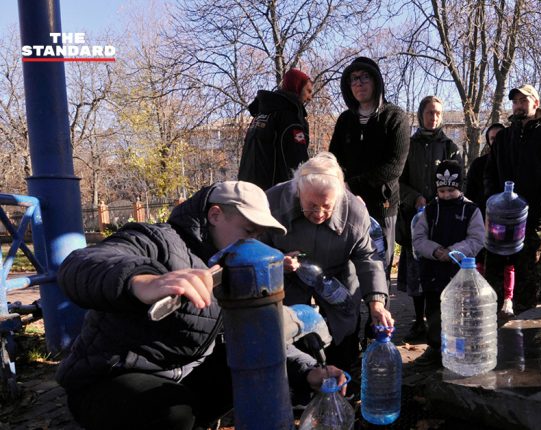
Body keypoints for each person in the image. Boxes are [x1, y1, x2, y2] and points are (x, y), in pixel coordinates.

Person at [56, 181, 344, 430]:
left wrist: (307, 370)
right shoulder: (160, 240)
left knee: (252, 375)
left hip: (182, 374)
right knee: (173, 414)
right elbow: (81, 265)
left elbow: (251, 339)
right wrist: (141, 281)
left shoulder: (231, 264)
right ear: (215, 215)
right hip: (109, 377)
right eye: (248, 231)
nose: (253, 243)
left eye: (258, 236)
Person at [261, 152, 394, 377]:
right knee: (289, 324)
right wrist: (275, 260)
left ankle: (345, 372)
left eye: (326, 206)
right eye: (311, 205)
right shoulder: (271, 202)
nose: (319, 213)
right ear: (298, 192)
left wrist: (377, 302)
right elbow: (254, 243)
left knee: (345, 323)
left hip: (338, 271)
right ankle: (301, 378)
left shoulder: (354, 211)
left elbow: (367, 258)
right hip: (289, 274)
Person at [484, 84, 541, 312]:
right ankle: (493, 323)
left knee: (527, 276)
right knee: (494, 273)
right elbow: (490, 174)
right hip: (501, 219)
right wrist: (492, 199)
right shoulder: (503, 137)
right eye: (515, 102)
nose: (519, 105)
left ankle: (524, 326)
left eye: (524, 100)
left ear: (535, 103)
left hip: (534, 218)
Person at [329, 57, 410, 276]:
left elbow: (394, 166)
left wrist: (351, 185)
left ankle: (379, 310)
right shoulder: (345, 120)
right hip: (346, 204)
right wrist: (339, 186)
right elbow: (332, 160)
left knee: (377, 267)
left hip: (381, 206)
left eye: (365, 77)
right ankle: (350, 312)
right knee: (346, 269)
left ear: (376, 81)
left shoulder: (395, 117)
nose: (359, 83)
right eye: (353, 79)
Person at [397, 95, 461, 342]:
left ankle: (439, 320)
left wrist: (441, 199)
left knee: (440, 270)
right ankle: (418, 320)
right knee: (417, 272)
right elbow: (398, 181)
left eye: (437, 113)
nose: (433, 117)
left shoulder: (449, 146)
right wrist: (415, 198)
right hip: (414, 219)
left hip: (443, 219)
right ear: (421, 114)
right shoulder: (408, 145)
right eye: (429, 112)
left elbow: (458, 179)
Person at [411, 160, 485, 368]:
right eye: (442, 191)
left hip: (459, 272)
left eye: (450, 191)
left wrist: (454, 252)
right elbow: (418, 239)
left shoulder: (471, 210)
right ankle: (435, 348)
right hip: (433, 271)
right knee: (434, 312)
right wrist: (435, 250)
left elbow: (477, 239)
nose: (445, 195)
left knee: (459, 314)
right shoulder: (430, 210)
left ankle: (457, 351)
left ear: (459, 187)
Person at [238, 68, 313, 190]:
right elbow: (297, 160)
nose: (310, 97)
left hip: (247, 191)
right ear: (297, 87)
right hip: (274, 196)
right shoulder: (289, 117)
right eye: (308, 91)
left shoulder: (260, 115)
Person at [465, 123, 505, 216]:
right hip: (482, 216)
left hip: (509, 216)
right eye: (493, 138)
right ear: (488, 141)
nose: (497, 141)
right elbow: (470, 193)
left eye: (500, 137)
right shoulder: (478, 164)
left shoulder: (515, 162)